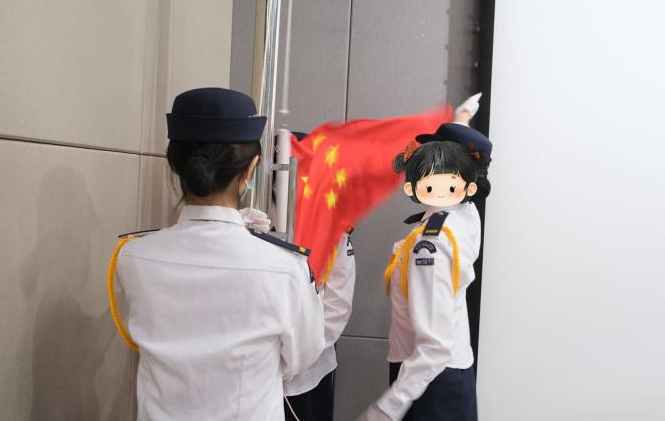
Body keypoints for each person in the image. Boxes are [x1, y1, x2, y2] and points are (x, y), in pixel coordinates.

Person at [113, 87, 325, 421]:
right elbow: (302, 357)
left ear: (173, 164)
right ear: (251, 169)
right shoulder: (286, 267)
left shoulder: (133, 257)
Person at [357, 97, 492, 421]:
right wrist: (462, 118)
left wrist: (384, 410)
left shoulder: (430, 245)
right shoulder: (465, 214)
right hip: (445, 378)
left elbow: (435, 346)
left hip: (430, 385)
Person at [283, 132, 357, 421]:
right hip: (258, 374)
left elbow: (338, 307)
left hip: (310, 373)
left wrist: (295, 360)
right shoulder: (256, 220)